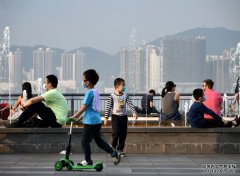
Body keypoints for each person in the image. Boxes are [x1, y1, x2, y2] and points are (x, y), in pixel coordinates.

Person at [69, 69, 121, 166]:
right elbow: (91, 108)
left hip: (90, 122)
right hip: (96, 121)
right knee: (99, 141)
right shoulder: (96, 91)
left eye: (83, 80)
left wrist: (74, 115)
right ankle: (114, 153)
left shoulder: (89, 93)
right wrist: (79, 118)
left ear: (88, 82)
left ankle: (88, 161)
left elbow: (84, 107)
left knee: (85, 142)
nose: (83, 82)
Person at [104, 78, 138, 157]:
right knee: (116, 132)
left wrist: (134, 112)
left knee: (123, 134)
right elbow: (108, 107)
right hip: (115, 116)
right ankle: (113, 146)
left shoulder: (125, 96)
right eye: (123, 85)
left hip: (124, 117)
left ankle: (120, 149)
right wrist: (106, 118)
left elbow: (130, 104)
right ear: (117, 86)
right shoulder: (112, 96)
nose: (124, 87)